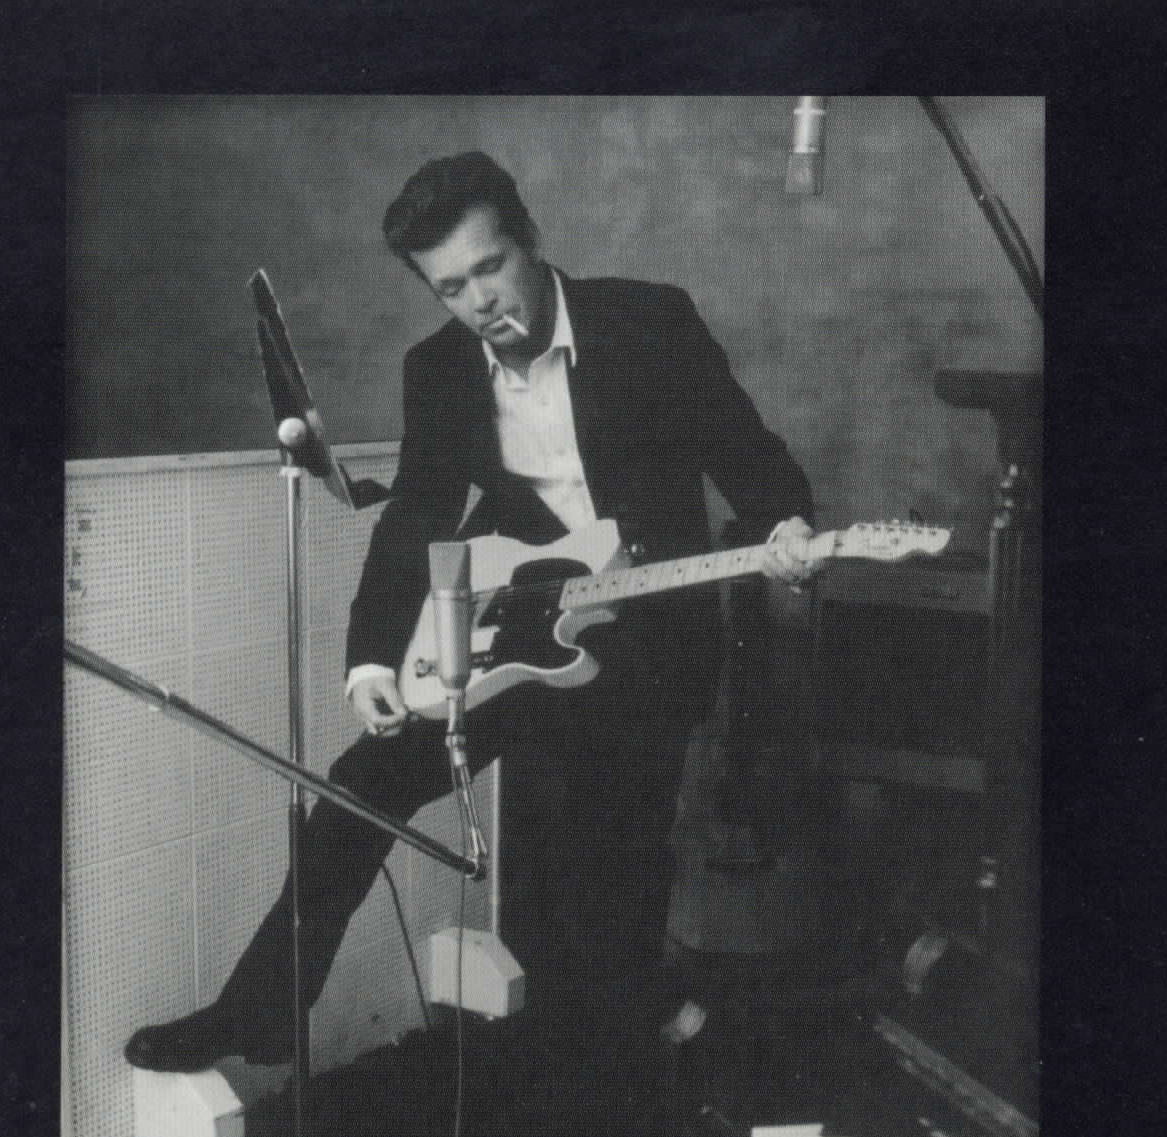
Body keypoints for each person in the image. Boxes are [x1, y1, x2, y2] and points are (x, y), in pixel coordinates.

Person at [125, 151, 821, 1077]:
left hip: (645, 640)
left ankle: (631, 1058)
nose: (480, 301)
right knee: (361, 783)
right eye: (451, 288)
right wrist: (371, 661)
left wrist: (786, 527)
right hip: (514, 626)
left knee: (603, 861)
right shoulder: (440, 369)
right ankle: (259, 1011)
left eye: (489, 267)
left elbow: (750, 456)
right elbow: (415, 518)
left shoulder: (649, 321)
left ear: (528, 240)